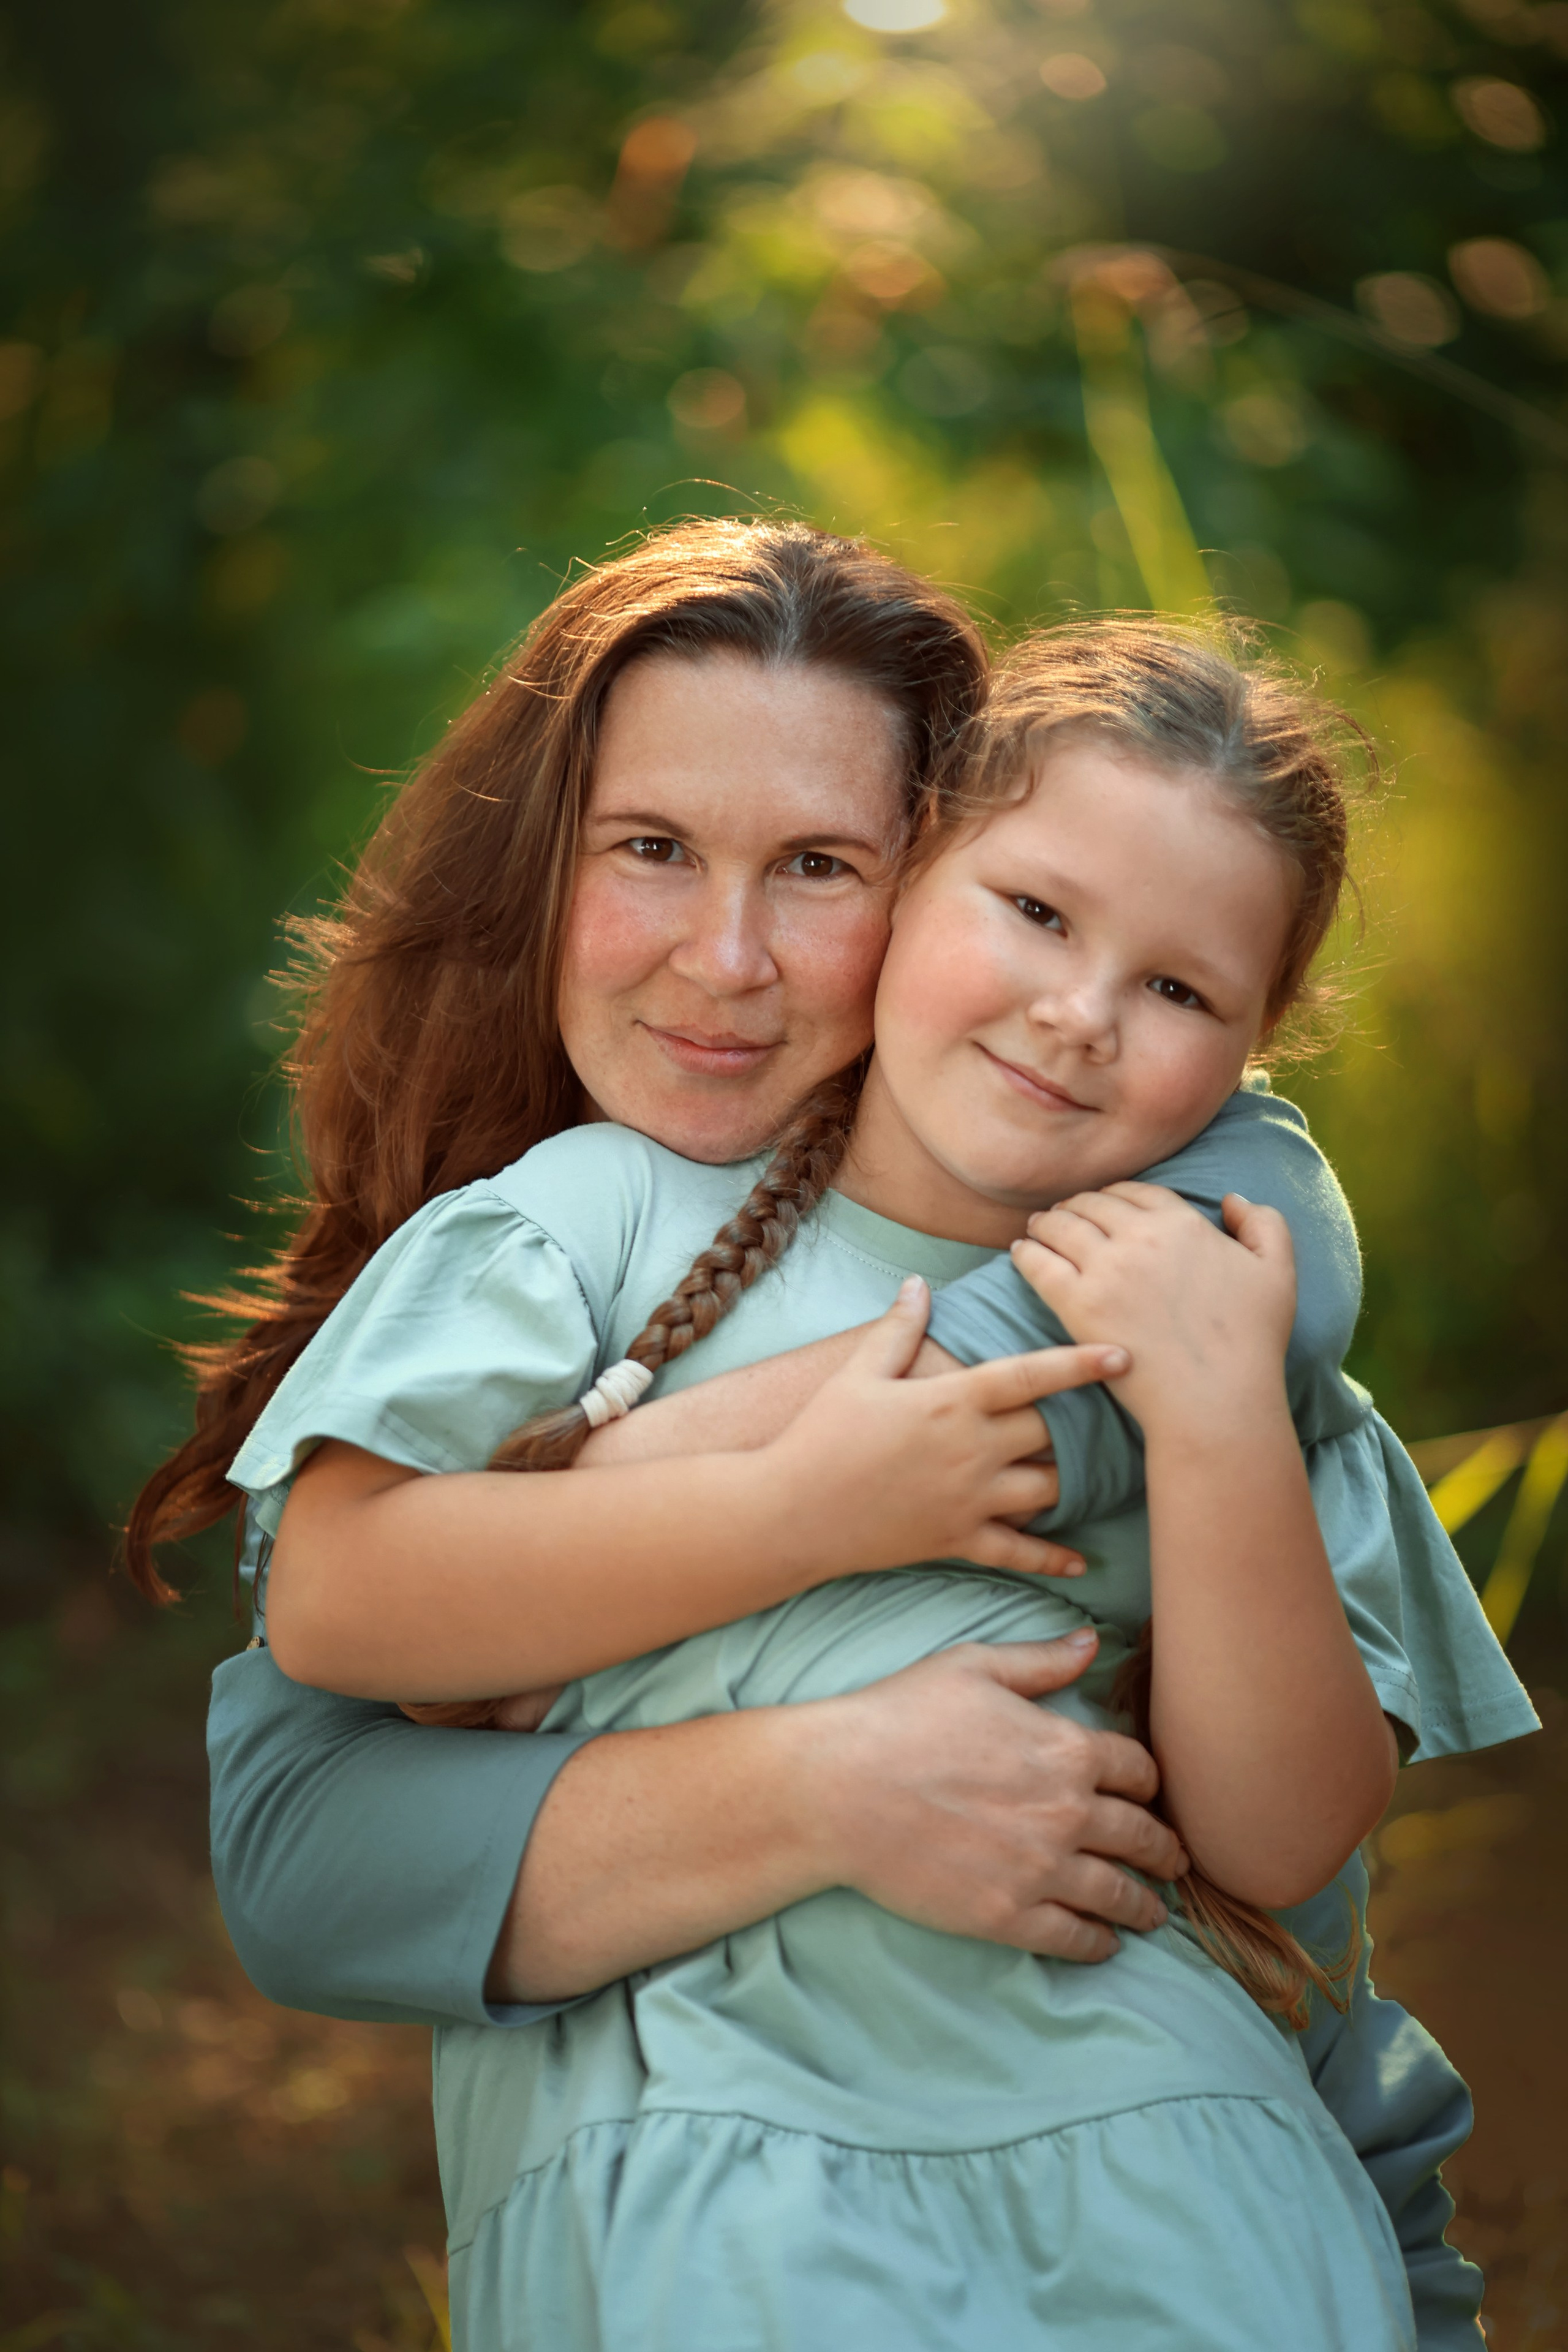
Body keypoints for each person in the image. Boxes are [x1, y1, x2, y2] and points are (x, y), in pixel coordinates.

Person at [228, 617, 1535, 2345]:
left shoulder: (1221, 1318)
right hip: (715, 2161)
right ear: (922, 885)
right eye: (1038, 912)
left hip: (1168, 2153)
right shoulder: (596, 1218)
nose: (1079, 1014)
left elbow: (1288, 1840)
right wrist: (804, 1505)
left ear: (1256, 1046)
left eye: (1180, 991)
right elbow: (334, 1610)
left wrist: (1221, 1418)